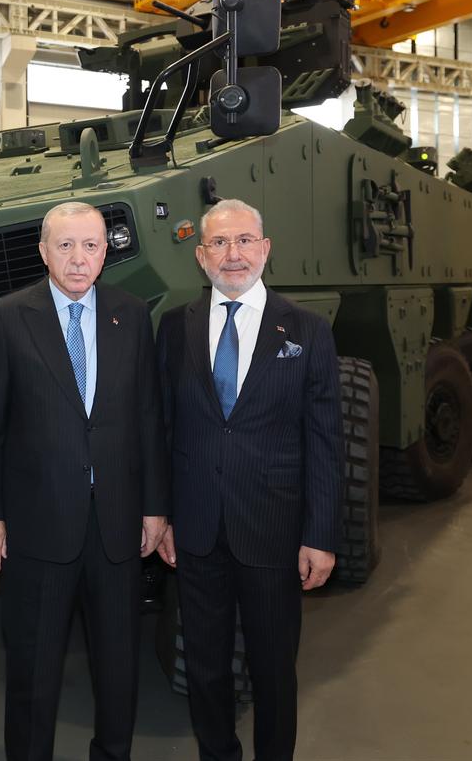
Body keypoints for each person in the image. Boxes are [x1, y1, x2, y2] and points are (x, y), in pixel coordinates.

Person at [0, 201, 169, 761]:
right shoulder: (10, 317)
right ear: (43, 252)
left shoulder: (131, 316)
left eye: (90, 245)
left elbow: (149, 420)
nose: (78, 258)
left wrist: (155, 507)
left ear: (107, 252)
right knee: (33, 670)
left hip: (116, 526)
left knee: (117, 667)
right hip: (38, 529)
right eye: (65, 246)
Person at [156, 198, 343, 761]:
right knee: (206, 666)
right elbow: (162, 427)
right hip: (196, 528)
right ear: (200, 256)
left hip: (273, 527)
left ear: (264, 250)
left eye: (243, 242)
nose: (231, 254)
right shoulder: (174, 328)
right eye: (218, 243)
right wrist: (160, 514)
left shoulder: (307, 331)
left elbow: (326, 439)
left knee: (273, 669)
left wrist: (322, 533)